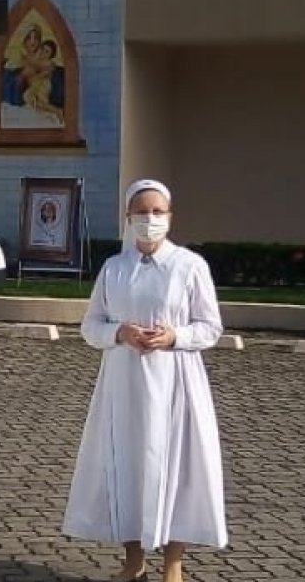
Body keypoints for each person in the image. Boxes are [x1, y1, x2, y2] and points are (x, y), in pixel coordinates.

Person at [61, 179, 228, 582]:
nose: (149, 219)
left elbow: (210, 327)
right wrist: (119, 333)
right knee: (129, 465)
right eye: (141, 212)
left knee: (178, 467)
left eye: (157, 212)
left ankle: (174, 564)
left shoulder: (189, 267)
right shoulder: (115, 269)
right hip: (125, 385)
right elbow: (91, 325)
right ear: (128, 218)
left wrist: (175, 337)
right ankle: (133, 560)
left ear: (170, 218)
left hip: (176, 384)